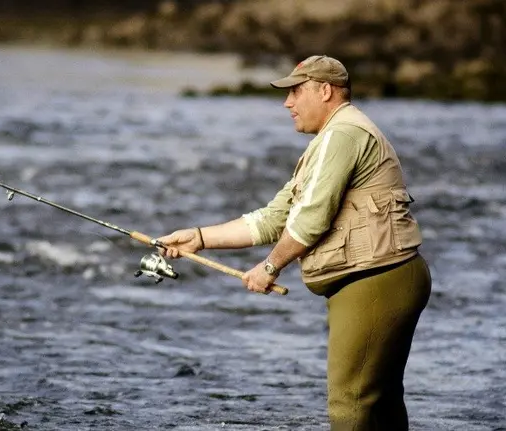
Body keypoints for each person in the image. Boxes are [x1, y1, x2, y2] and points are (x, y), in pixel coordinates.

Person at [157, 55, 432, 431]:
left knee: (350, 401)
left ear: (324, 91)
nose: (287, 103)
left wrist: (270, 267)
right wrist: (200, 238)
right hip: (386, 278)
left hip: (375, 282)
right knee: (378, 402)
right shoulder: (329, 141)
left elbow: (312, 217)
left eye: (295, 91)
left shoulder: (343, 134)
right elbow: (275, 217)